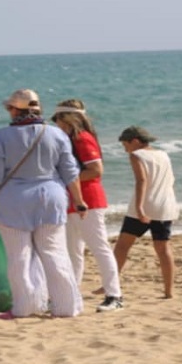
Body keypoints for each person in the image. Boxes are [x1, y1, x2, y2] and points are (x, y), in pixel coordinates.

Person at [0, 89, 87, 319]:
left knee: (19, 257)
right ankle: (66, 307)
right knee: (54, 253)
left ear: (16, 110)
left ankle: (25, 307)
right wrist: (80, 201)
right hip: (51, 198)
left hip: (14, 201)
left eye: (10, 108)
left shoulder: (3, 136)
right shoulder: (55, 134)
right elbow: (69, 172)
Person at [52, 99, 123, 312]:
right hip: (72, 200)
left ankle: (115, 295)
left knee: (98, 246)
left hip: (88, 200)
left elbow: (96, 170)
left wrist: (65, 179)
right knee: (72, 250)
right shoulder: (71, 139)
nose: (56, 124)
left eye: (58, 119)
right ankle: (71, 293)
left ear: (68, 119)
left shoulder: (82, 138)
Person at [114, 126, 179, 299]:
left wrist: (140, 207)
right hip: (165, 206)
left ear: (134, 140)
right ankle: (168, 291)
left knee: (122, 246)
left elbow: (141, 181)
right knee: (163, 249)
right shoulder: (163, 154)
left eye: (125, 144)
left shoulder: (137, 155)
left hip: (144, 206)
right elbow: (171, 180)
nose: (124, 148)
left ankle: (110, 284)